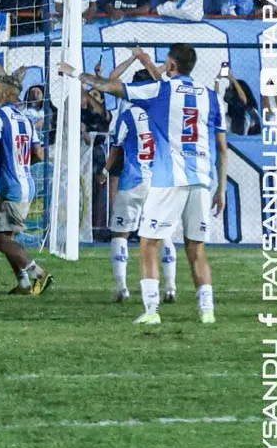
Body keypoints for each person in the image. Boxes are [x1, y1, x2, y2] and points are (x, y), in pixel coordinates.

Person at [75, 44, 221, 325]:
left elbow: (109, 88)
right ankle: (204, 309)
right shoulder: (209, 96)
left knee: (143, 241)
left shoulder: (150, 98)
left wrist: (75, 74)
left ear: (171, 65)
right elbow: (221, 145)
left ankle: (148, 306)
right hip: (200, 179)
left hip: (160, 179)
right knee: (193, 247)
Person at [0, 67, 52, 296]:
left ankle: (37, 273)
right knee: (5, 235)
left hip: (11, 186)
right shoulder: (27, 120)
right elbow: (39, 153)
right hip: (26, 184)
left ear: (8, 93)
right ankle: (22, 283)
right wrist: (20, 162)